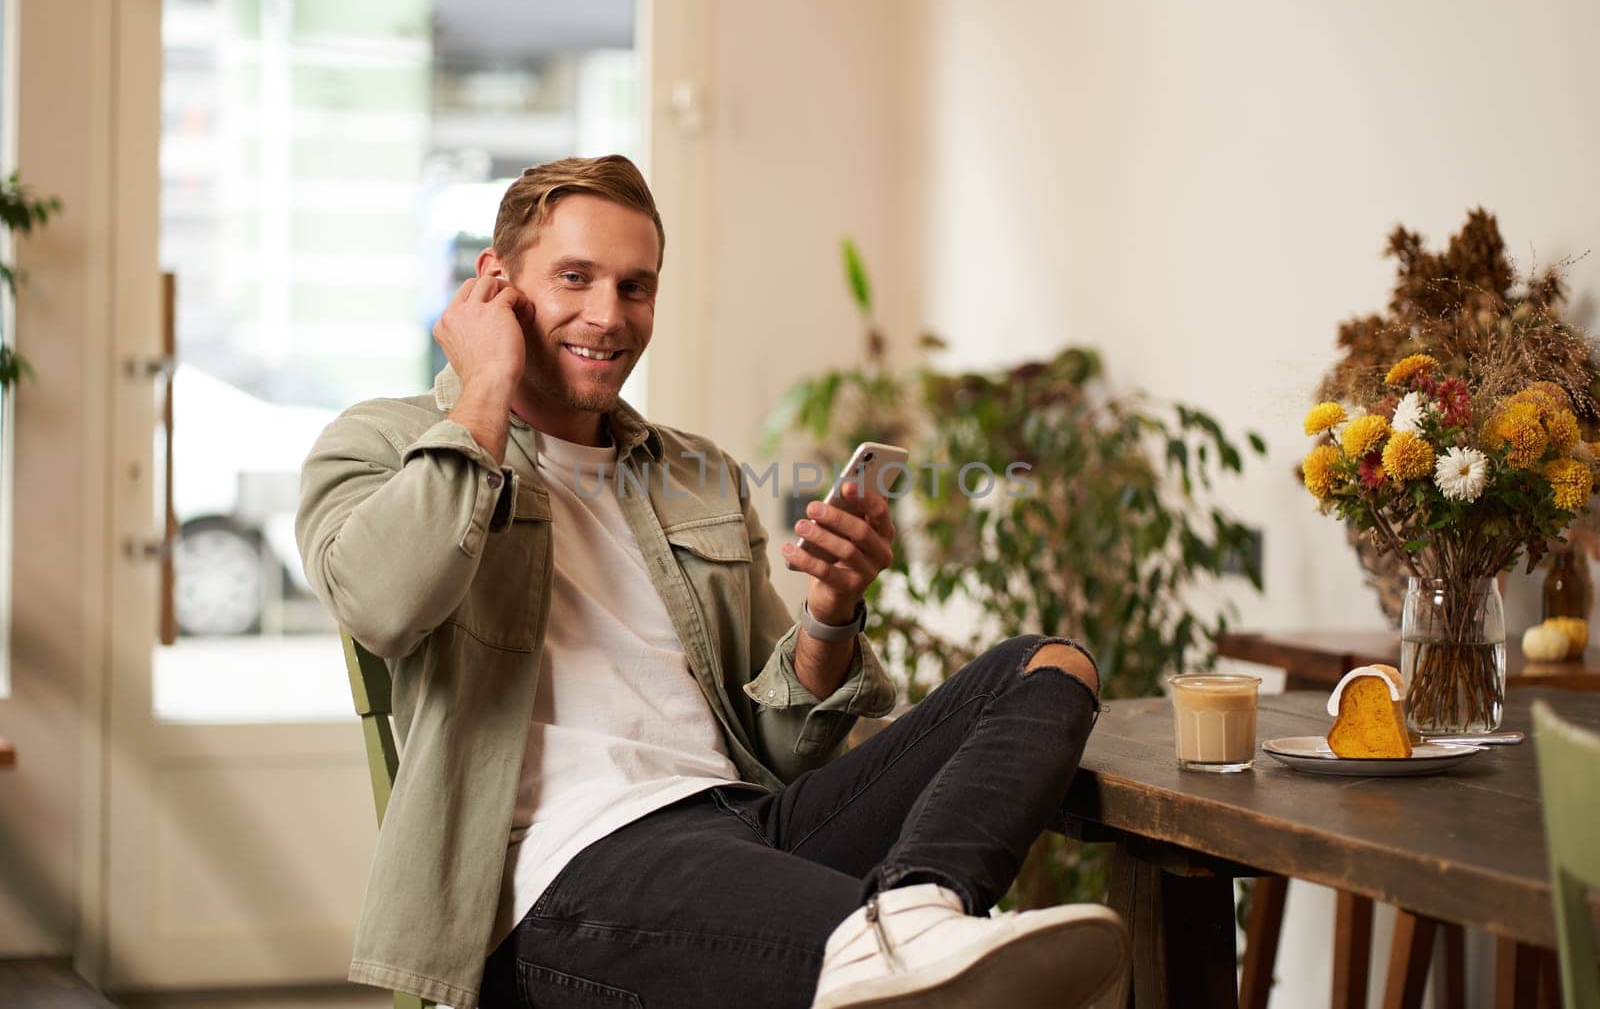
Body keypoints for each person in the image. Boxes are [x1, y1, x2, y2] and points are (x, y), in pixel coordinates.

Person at [296, 155, 1128, 1009]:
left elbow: (778, 743)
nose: (608, 315)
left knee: (1049, 669)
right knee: (954, 977)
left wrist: (831, 614)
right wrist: (485, 388)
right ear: (495, 284)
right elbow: (381, 602)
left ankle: (916, 911)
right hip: (565, 873)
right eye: (574, 278)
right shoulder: (380, 443)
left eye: (635, 287)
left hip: (747, 824)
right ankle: (903, 941)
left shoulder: (695, 472)